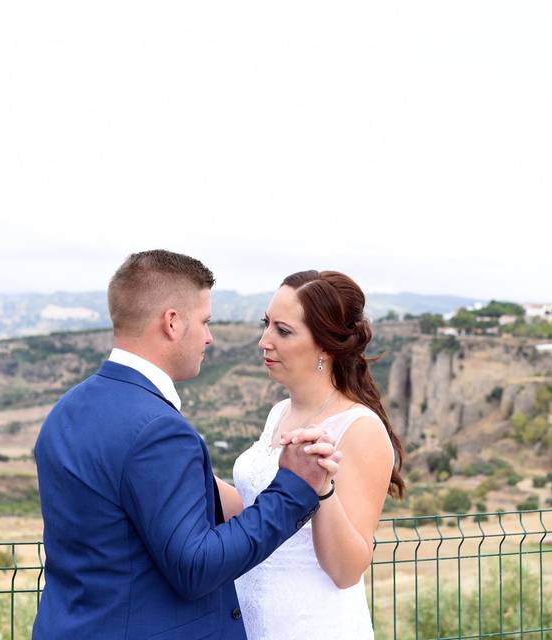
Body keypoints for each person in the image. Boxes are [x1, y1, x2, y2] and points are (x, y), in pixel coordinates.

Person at [33, 250, 341, 639]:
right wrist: (293, 487)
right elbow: (196, 567)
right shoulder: (159, 430)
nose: (210, 336)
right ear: (173, 322)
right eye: (205, 321)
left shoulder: (67, 410)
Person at [214, 270, 405, 640]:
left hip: (312, 625)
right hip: (250, 621)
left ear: (325, 346)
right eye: (266, 324)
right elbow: (255, 507)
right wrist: (194, 468)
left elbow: (346, 571)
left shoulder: (360, 429)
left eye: (282, 331)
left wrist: (322, 490)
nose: (263, 341)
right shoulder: (279, 413)